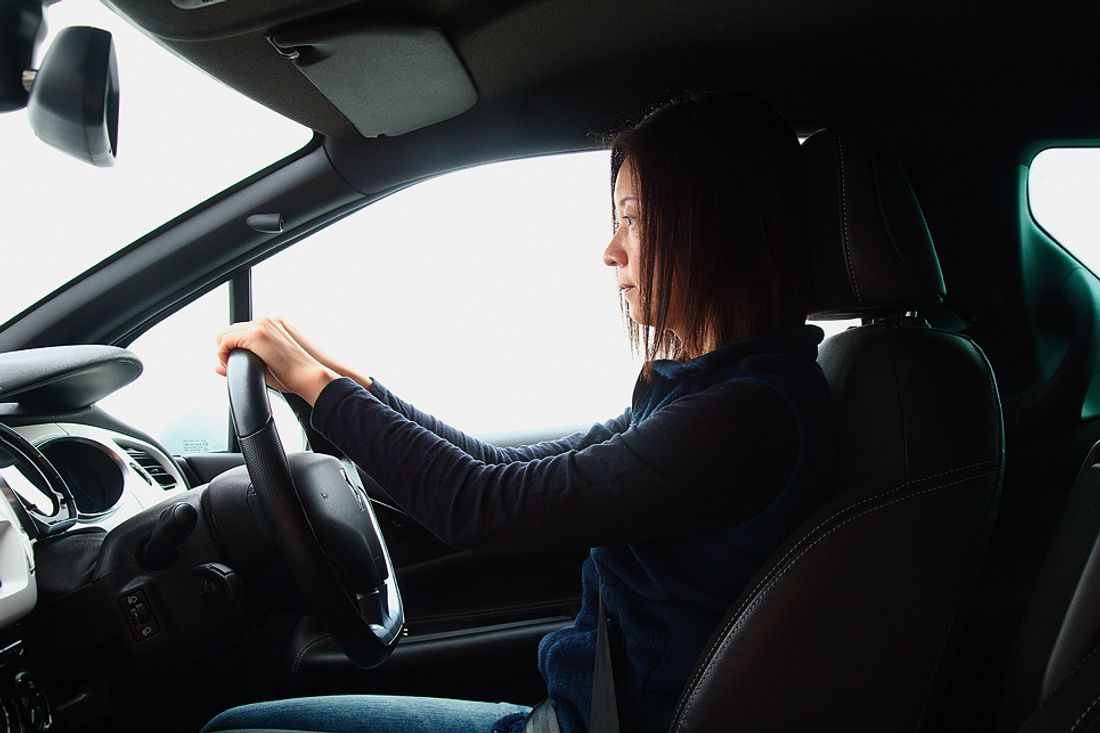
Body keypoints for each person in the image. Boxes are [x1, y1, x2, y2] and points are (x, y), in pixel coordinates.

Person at [204, 93, 834, 733]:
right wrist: (337, 376)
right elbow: (501, 468)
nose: (612, 250)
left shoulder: (746, 415)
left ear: (717, 226)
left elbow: (477, 503)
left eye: (636, 220)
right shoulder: (712, 389)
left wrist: (316, 386)